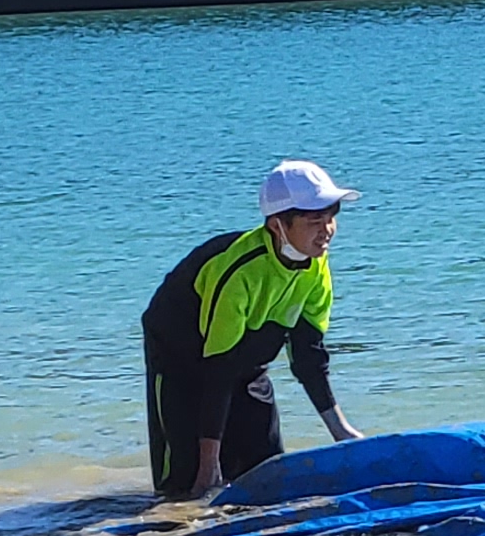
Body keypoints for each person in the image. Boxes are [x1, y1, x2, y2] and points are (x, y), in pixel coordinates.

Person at [144, 161, 364, 501]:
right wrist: (208, 466)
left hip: (248, 358)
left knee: (265, 472)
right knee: (187, 485)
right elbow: (218, 370)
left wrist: (342, 432)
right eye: (314, 221)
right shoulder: (241, 271)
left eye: (331, 217)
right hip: (182, 356)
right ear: (277, 225)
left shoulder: (316, 265)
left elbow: (308, 355)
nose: (327, 230)